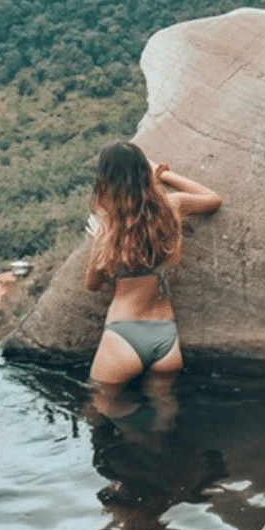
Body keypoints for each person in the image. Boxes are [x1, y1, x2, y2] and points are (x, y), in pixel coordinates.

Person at [85, 140, 221, 387]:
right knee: (164, 408)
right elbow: (213, 200)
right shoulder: (172, 206)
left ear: (106, 179)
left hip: (123, 335)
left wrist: (98, 240)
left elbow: (93, 284)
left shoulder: (109, 225)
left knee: (99, 404)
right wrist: (164, 174)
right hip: (166, 336)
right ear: (144, 171)